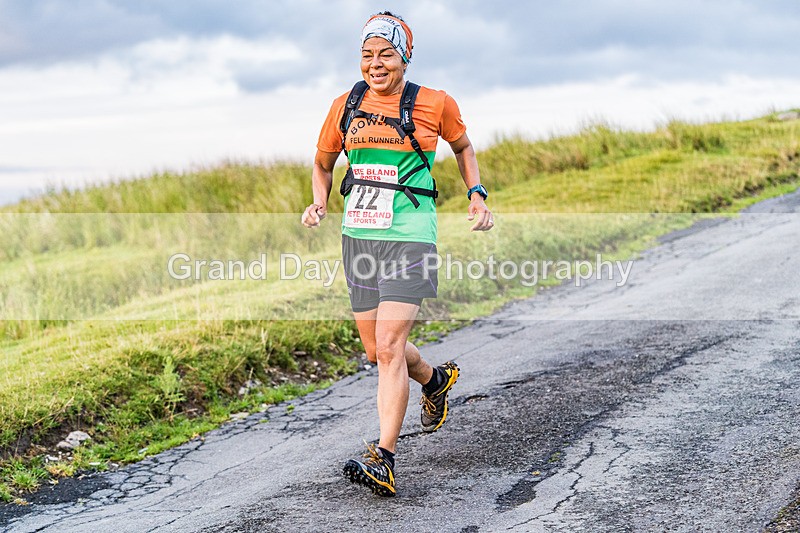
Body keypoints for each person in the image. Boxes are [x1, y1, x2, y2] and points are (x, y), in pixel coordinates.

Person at [301, 10, 493, 497]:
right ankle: (432, 379)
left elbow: (463, 147)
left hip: (411, 233)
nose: (375, 64)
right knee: (376, 351)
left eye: (385, 54)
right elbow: (323, 164)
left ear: (404, 56)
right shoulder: (344, 106)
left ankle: (384, 456)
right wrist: (320, 201)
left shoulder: (435, 103)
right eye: (367, 55)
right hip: (360, 236)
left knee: (388, 345)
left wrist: (476, 193)